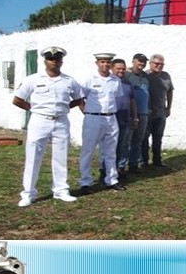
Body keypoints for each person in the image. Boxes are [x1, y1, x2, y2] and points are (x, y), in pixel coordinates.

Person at [12, 46, 83, 207]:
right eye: (51, 59)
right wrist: (34, 109)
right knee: (33, 157)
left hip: (61, 121)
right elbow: (17, 99)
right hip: (39, 120)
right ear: (44, 61)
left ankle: (61, 190)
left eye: (57, 59)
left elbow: (78, 99)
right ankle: (28, 193)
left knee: (61, 156)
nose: (54, 62)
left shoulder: (69, 80)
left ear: (62, 61)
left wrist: (64, 108)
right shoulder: (33, 79)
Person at [78, 53, 126, 193]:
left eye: (107, 62)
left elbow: (116, 97)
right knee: (88, 150)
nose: (105, 65)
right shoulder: (89, 79)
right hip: (93, 118)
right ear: (97, 63)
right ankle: (85, 182)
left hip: (111, 118)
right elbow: (80, 97)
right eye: (102, 62)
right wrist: (86, 112)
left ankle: (111, 180)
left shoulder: (115, 80)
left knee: (110, 151)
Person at [99, 58, 137, 182]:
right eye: (118, 69)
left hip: (125, 119)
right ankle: (105, 170)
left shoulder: (127, 84)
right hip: (110, 119)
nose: (121, 71)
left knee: (124, 145)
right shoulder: (107, 82)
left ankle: (120, 169)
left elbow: (132, 101)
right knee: (108, 147)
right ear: (112, 69)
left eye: (123, 68)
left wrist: (135, 117)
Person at [144, 53, 174, 167]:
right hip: (147, 112)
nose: (159, 66)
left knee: (158, 137)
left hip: (160, 112)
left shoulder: (166, 76)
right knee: (144, 139)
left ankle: (157, 160)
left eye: (161, 64)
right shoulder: (145, 75)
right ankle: (144, 161)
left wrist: (169, 107)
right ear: (150, 63)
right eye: (156, 63)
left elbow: (170, 91)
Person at [126, 53, 150, 172]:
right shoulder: (127, 75)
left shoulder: (146, 76)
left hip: (144, 112)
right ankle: (121, 166)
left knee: (138, 141)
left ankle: (133, 164)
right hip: (130, 113)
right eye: (139, 61)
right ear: (133, 61)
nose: (142, 63)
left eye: (144, 61)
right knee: (127, 140)